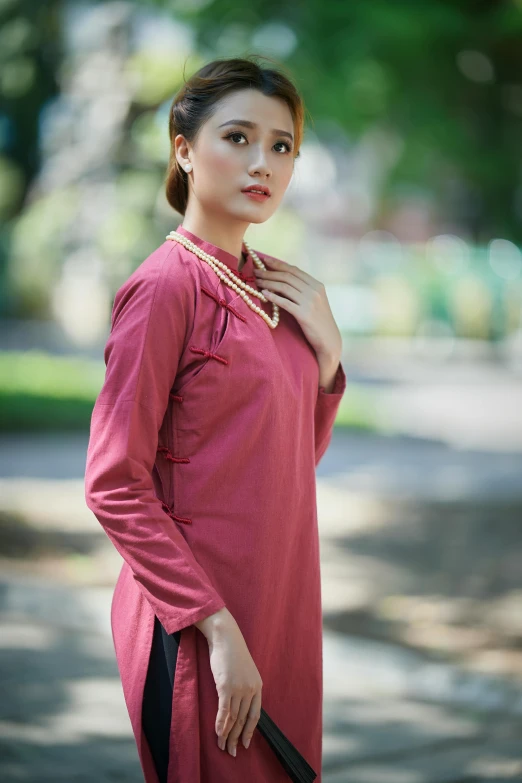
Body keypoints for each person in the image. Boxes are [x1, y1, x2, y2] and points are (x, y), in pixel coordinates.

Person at [84, 54, 347, 783]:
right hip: (199, 624)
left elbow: (286, 459)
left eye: (282, 145)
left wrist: (326, 357)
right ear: (183, 149)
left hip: (282, 607)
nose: (263, 161)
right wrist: (217, 626)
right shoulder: (165, 289)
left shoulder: (279, 290)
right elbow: (113, 484)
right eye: (238, 137)